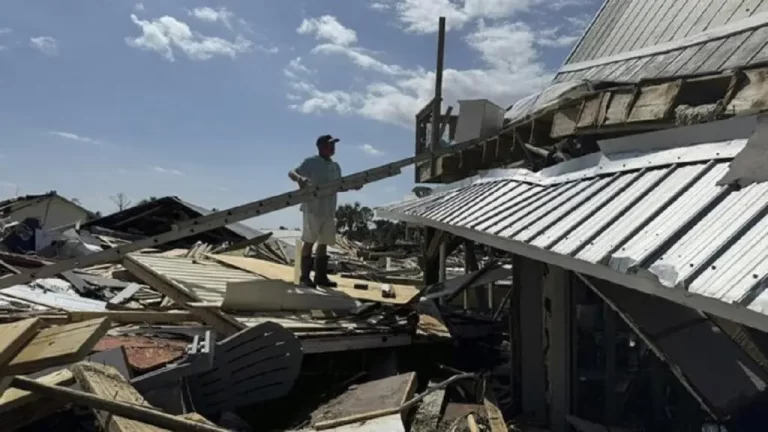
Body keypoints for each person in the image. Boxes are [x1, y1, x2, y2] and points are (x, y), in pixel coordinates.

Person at [288, 134, 360, 288]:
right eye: (329, 144)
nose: (333, 147)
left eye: (334, 144)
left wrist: (353, 185)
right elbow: (292, 172)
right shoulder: (311, 162)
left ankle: (320, 277)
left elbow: (340, 186)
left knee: (324, 243)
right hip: (313, 208)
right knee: (309, 241)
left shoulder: (335, 166)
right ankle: (305, 276)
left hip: (329, 209)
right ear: (320, 147)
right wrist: (300, 179)